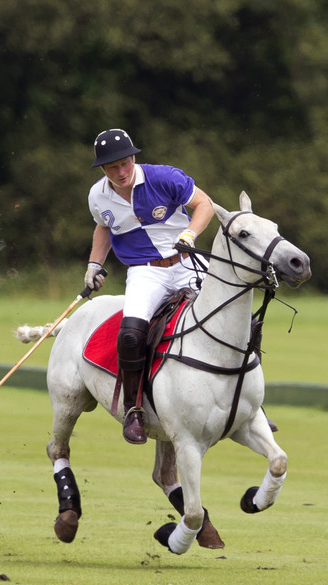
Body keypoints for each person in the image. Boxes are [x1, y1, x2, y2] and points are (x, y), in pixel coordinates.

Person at [83, 128, 215, 445]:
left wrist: (190, 235)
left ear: (133, 158)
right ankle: (134, 411)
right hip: (145, 272)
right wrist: (94, 264)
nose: (122, 171)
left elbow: (206, 205)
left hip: (185, 260)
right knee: (130, 335)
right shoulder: (97, 196)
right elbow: (103, 226)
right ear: (103, 169)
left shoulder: (164, 178)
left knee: (237, 316)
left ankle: (254, 406)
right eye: (113, 167)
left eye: (126, 163)